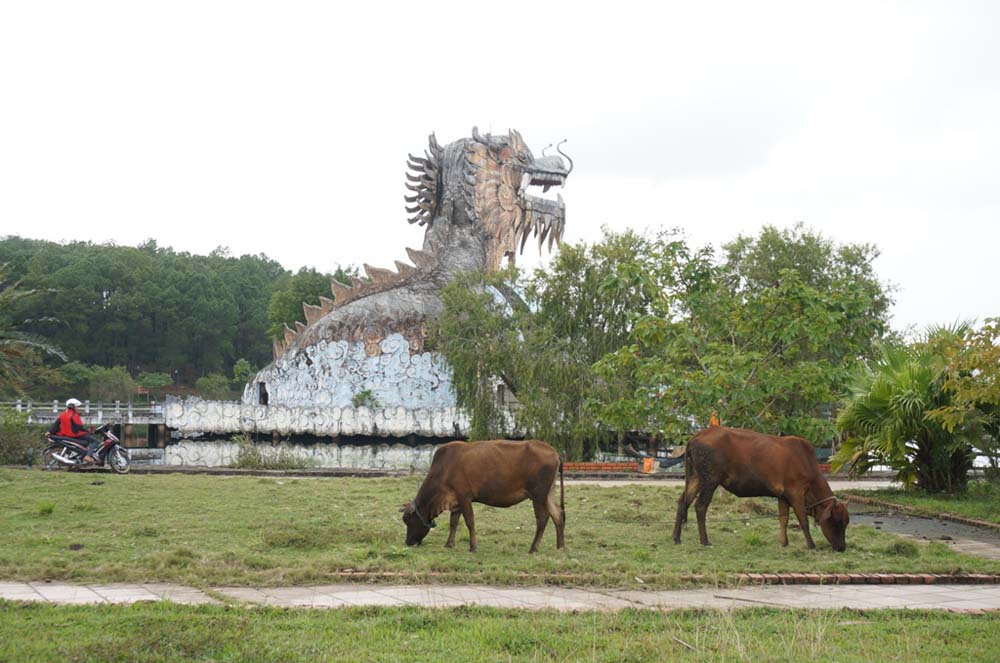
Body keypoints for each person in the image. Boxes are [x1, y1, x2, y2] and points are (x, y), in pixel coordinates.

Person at [48, 398, 101, 464]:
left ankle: (82, 455)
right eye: (77, 406)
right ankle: (88, 456)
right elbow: (79, 427)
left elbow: (55, 425)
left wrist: (49, 432)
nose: (77, 408)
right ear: (72, 407)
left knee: (87, 441)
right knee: (95, 441)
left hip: (66, 435)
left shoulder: (62, 415)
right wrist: (88, 431)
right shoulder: (74, 415)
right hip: (75, 435)